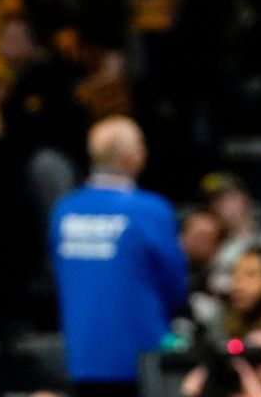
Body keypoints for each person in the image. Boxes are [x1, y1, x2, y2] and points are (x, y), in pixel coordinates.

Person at [49, 116, 186, 396]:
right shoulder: (152, 211)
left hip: (83, 356)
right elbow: (175, 285)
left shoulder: (64, 210)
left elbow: (57, 274)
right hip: (141, 359)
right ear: (131, 155)